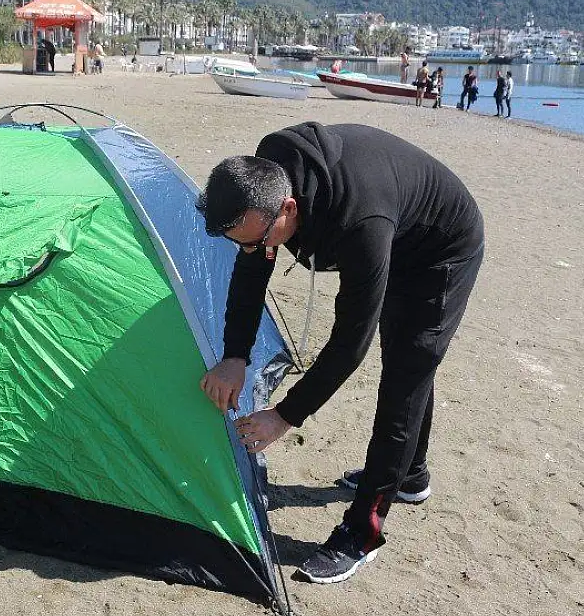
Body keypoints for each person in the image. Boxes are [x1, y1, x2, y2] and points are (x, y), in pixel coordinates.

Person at [196, 123, 484, 584]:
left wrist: (285, 416)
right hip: (396, 228)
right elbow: (252, 271)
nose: (250, 250)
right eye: (239, 242)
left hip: (440, 250)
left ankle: (363, 532)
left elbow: (350, 345)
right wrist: (235, 356)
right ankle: (410, 474)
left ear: (288, 207)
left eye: (255, 238)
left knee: (405, 376)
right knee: (409, 363)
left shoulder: (359, 224)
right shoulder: (266, 180)